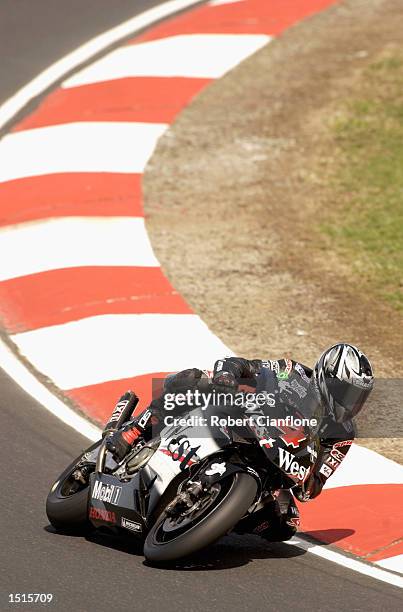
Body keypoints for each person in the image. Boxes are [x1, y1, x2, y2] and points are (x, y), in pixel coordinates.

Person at [106, 343, 374, 542]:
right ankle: (134, 429)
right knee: (196, 379)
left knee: (285, 523)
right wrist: (227, 377)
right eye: (347, 393)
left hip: (277, 465)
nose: (352, 403)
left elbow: (314, 486)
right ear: (326, 378)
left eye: (359, 397)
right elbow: (243, 365)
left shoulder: (343, 433)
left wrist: (305, 480)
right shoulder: (291, 373)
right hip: (245, 424)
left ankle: (218, 515)